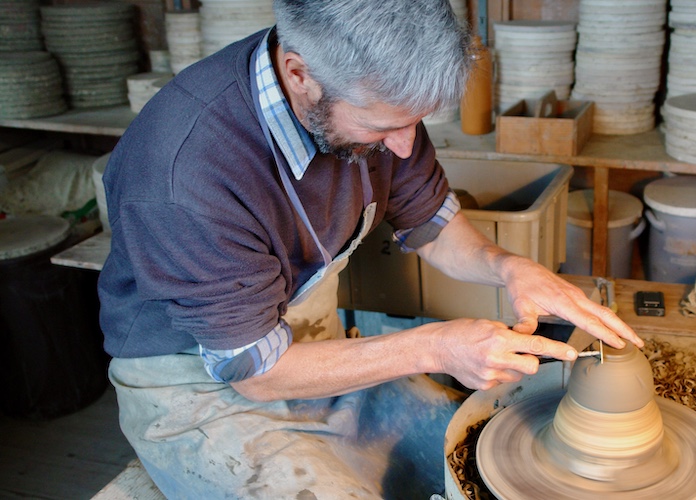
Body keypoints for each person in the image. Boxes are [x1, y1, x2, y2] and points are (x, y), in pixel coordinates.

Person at [98, 0, 644, 498]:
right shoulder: (185, 173)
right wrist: (436, 348)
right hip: (196, 384)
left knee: (472, 456)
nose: (405, 146)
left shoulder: (377, 99)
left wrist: (511, 268)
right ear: (298, 74)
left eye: (414, 122)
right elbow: (256, 373)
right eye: (384, 127)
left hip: (312, 348)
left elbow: (432, 223)